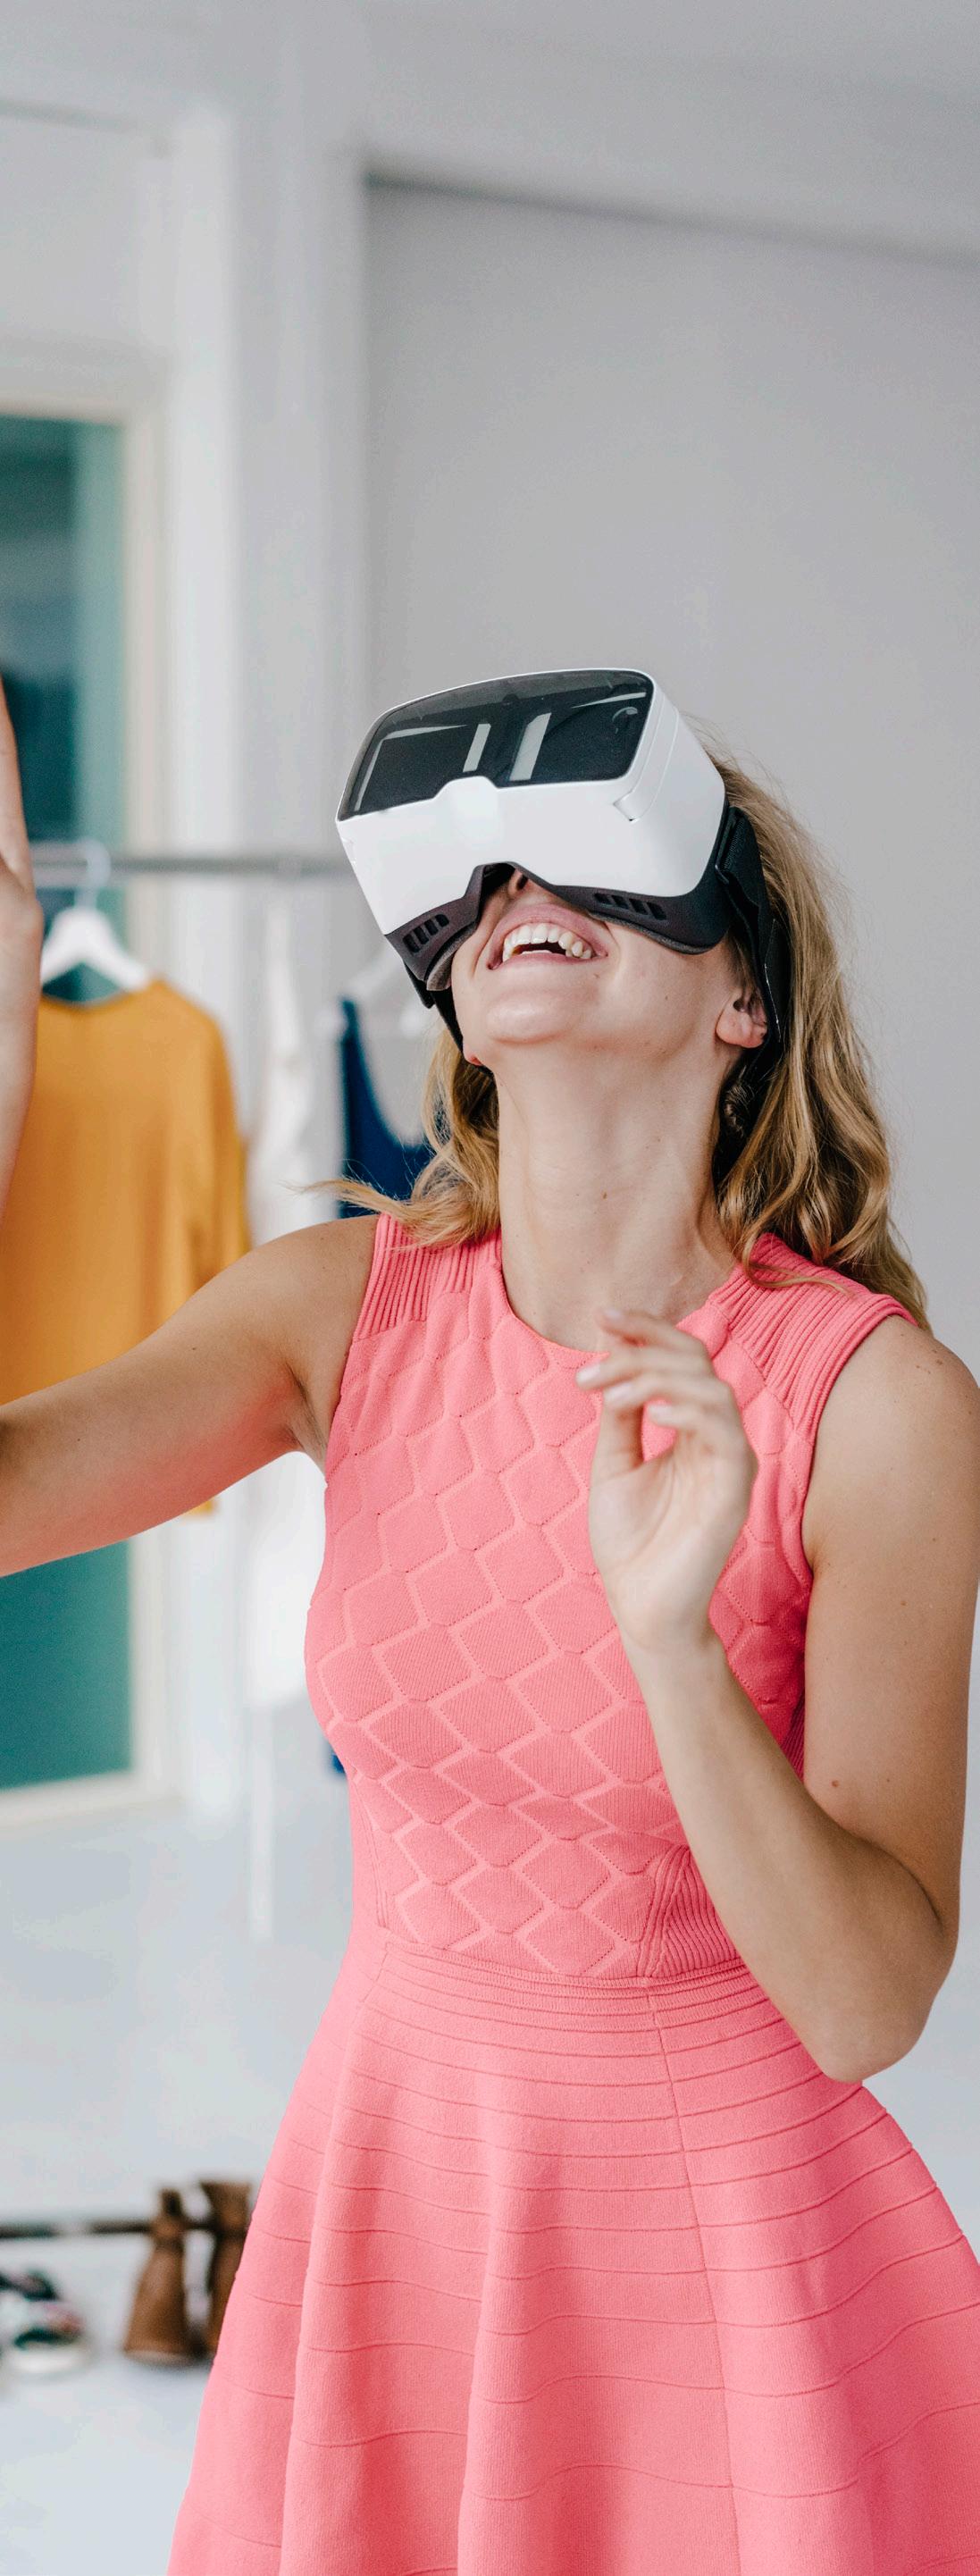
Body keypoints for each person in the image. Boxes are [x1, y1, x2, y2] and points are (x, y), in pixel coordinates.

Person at [2, 668, 979, 2575]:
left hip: (716, 2253)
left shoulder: (876, 1408)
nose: (525, 887)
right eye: (487, 877)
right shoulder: (336, 1309)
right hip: (397, 2189)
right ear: (449, 988)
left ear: (743, 995)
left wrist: (673, 1647)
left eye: (588, 862)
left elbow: (865, 2005)